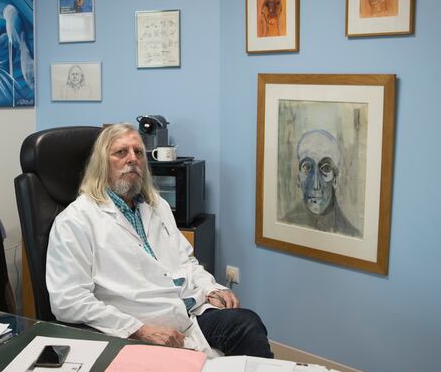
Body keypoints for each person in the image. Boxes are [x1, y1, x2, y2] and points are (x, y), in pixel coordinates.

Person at [46, 123, 273, 357]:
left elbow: (186, 262)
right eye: (121, 152)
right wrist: (138, 330)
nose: (132, 159)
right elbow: (68, 301)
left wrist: (211, 288)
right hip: (139, 324)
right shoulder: (75, 220)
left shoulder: (157, 206)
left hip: (187, 311)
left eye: (138, 152)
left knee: (247, 324)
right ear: (102, 164)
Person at [283, 129, 361, 237]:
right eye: (306, 167)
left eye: (326, 168)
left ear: (335, 179)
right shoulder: (286, 223)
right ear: (299, 178)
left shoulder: (351, 234)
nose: (316, 185)